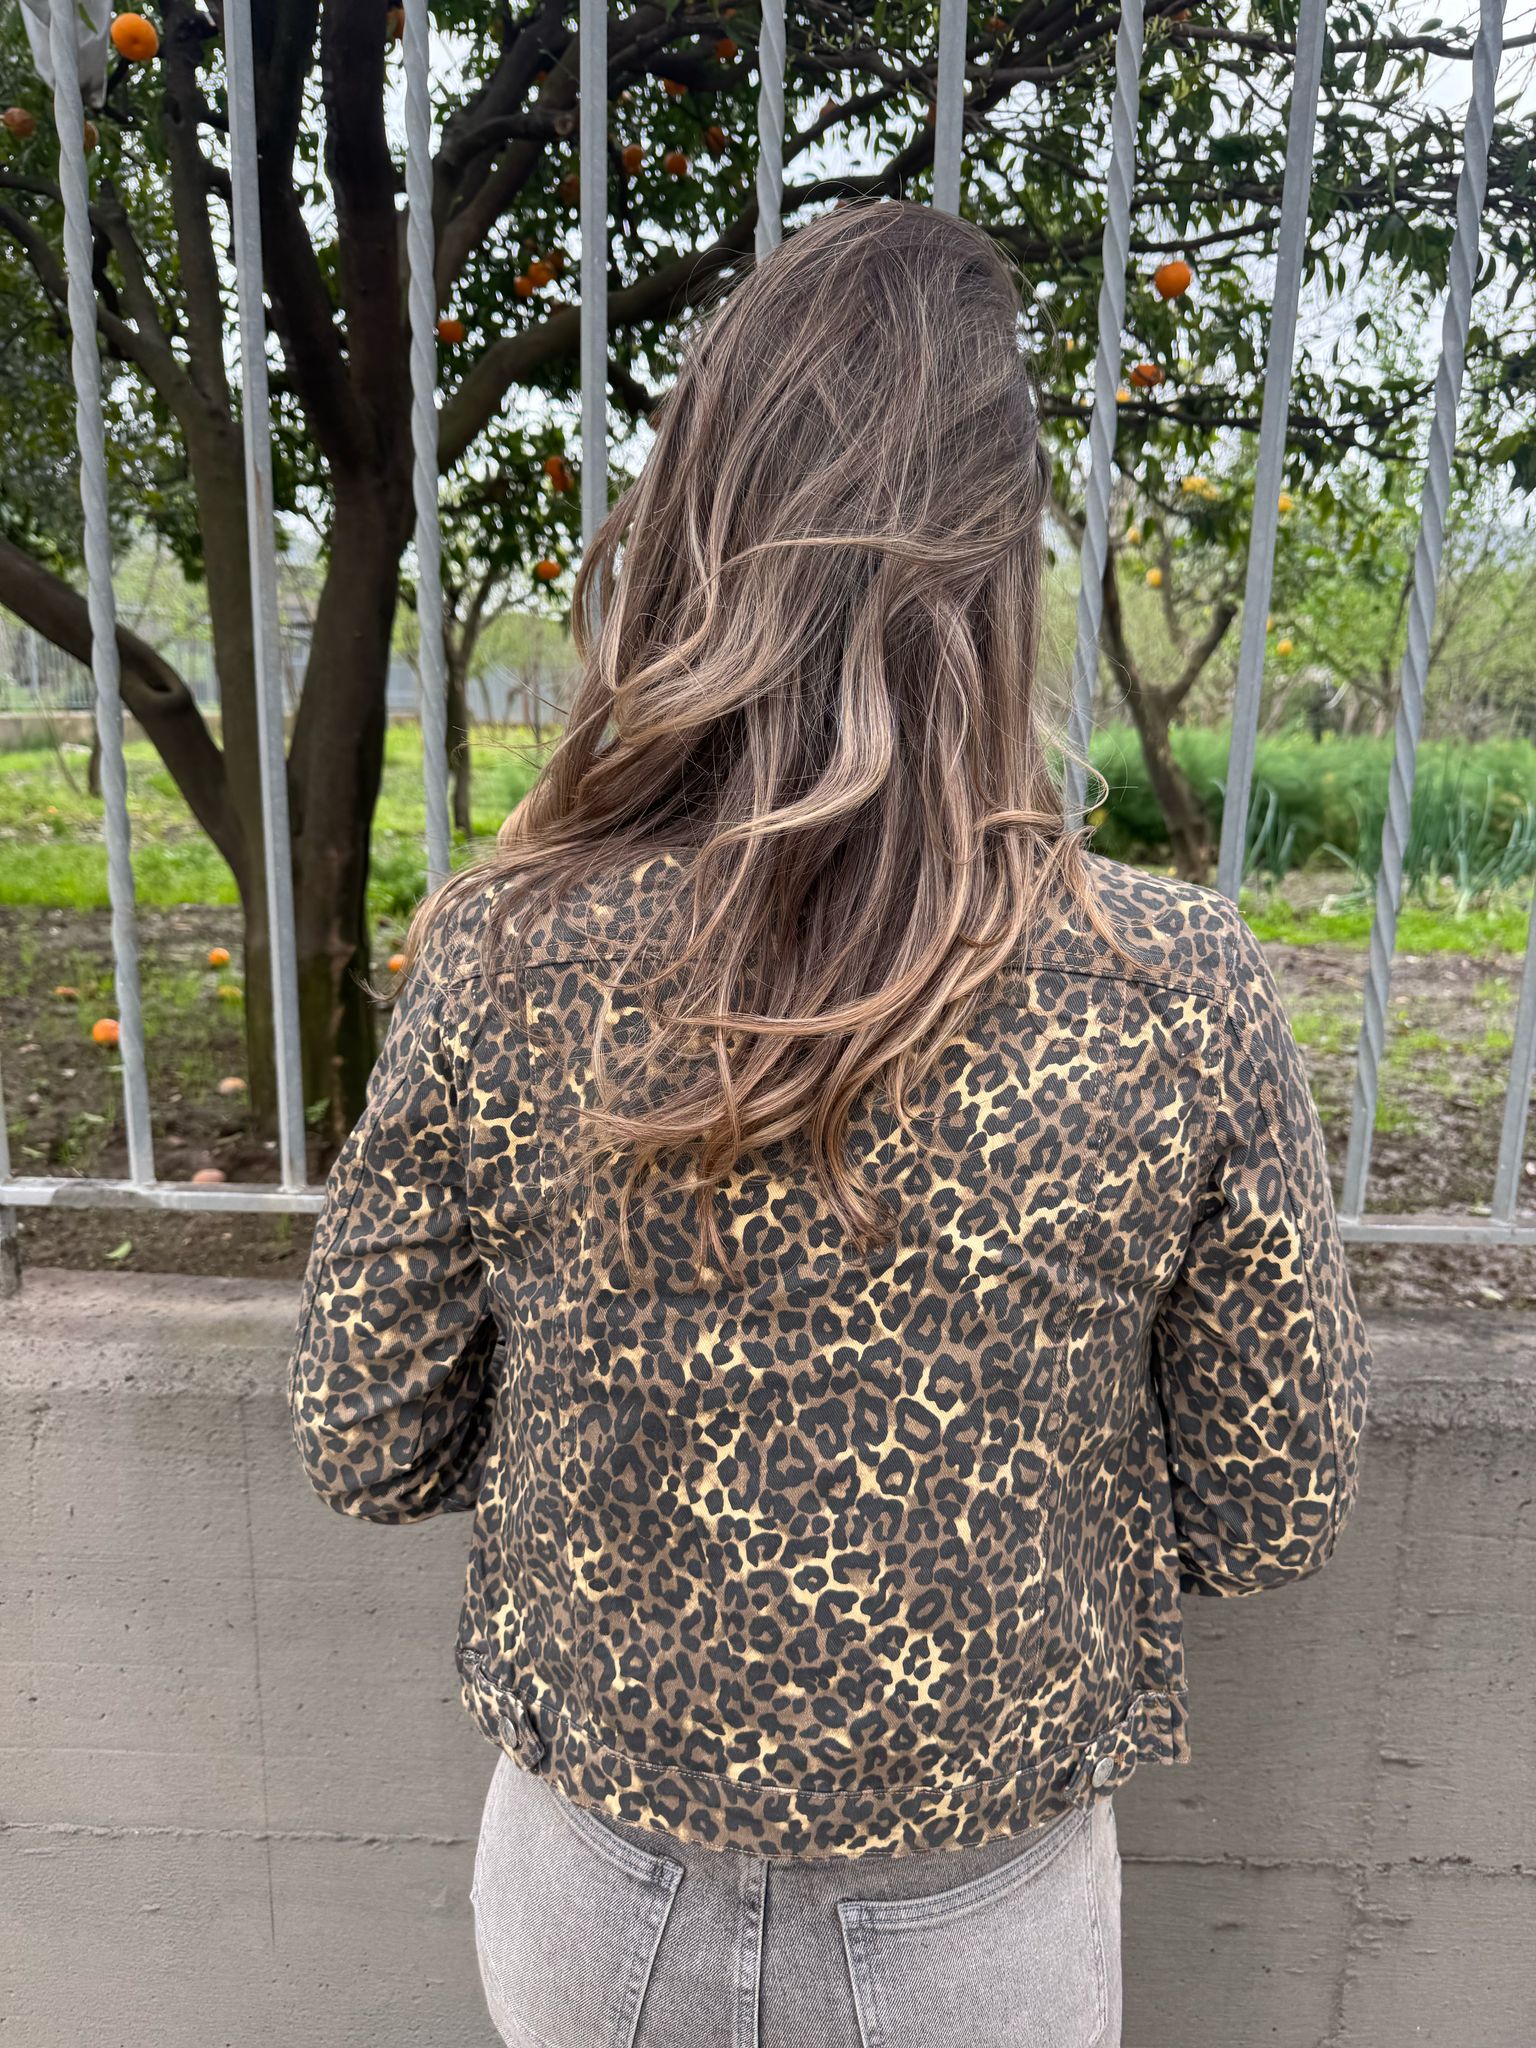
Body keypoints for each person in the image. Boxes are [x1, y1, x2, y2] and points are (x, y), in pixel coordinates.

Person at [289, 200, 1370, 2048]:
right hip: (982, 1912)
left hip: (593, 1886)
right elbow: (1275, 1505)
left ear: (695, 525)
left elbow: (364, 1436)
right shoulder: (1168, 983)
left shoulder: (505, 952)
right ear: (1000, 562)